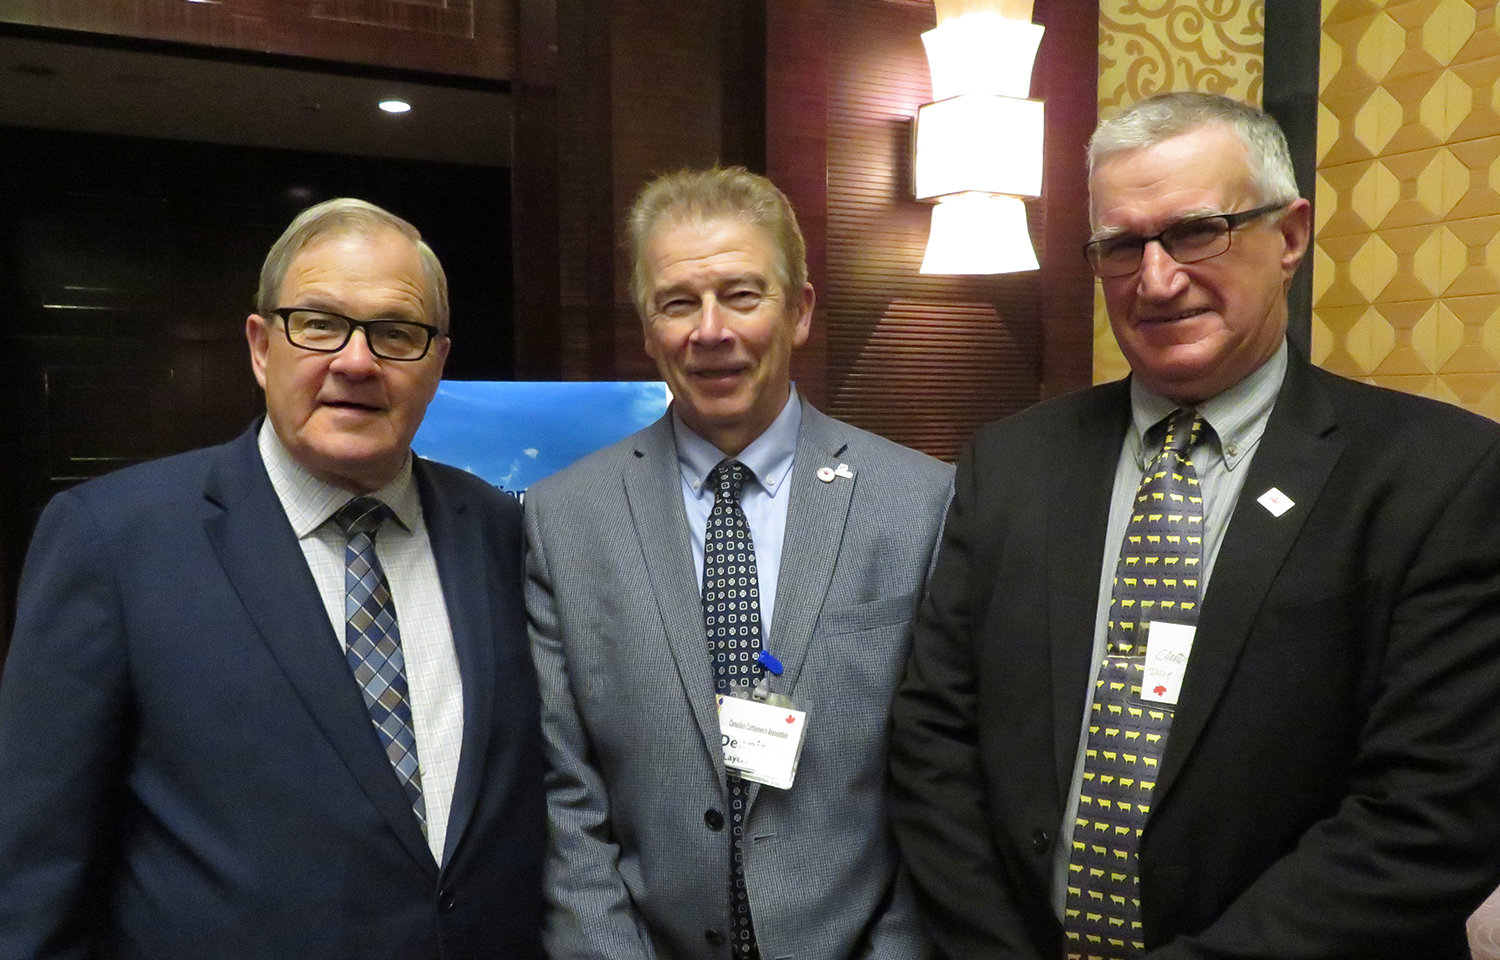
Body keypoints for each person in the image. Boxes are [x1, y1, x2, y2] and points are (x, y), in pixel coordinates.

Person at [889, 91, 1500, 960]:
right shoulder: (1011, 464)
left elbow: (1434, 813)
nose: (1157, 278)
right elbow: (934, 742)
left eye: (1195, 232)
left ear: (1289, 238)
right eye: (1121, 245)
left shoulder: (1441, 476)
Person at [0, 198, 544, 959]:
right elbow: (34, 870)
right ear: (260, 347)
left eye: (395, 333)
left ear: (437, 363)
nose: (356, 361)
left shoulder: (503, 532)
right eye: (318, 323)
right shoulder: (114, 541)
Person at [525, 166, 951, 960]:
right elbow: (565, 794)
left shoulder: (921, 505)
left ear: (799, 312)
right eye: (677, 302)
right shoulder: (564, 518)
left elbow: (941, 782)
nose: (709, 330)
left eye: (742, 295)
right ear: (647, 328)